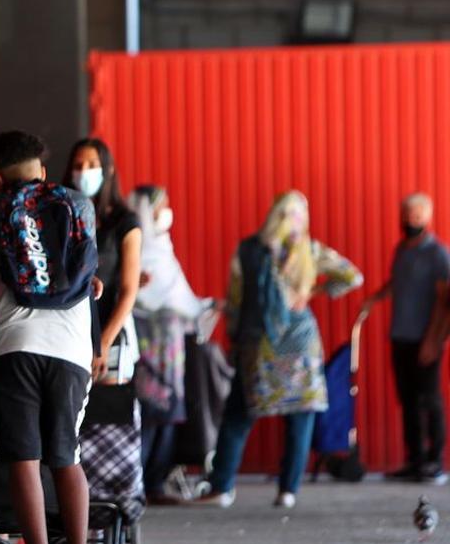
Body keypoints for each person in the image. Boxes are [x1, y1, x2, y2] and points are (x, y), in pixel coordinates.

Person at [0, 131, 101, 544]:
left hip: (13, 343)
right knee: (66, 456)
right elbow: (85, 275)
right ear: (41, 171)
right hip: (71, 347)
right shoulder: (79, 203)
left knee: (23, 458)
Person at [196, 190, 362, 509]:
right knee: (300, 414)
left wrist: (234, 337)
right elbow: (353, 276)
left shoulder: (249, 250)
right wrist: (313, 291)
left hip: (259, 342)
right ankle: (288, 491)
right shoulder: (310, 249)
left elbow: (235, 299)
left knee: (239, 413)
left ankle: (222, 487)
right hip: (300, 339)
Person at [363, 192, 450, 484]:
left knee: (429, 400)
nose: (409, 221)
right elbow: (398, 282)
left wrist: (433, 341)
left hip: (425, 339)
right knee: (409, 401)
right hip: (401, 335)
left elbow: (444, 301)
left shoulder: (438, 254)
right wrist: (375, 298)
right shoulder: (402, 249)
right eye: (406, 215)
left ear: (426, 217)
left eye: (415, 216)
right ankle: (415, 461)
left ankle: (434, 462)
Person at [129, 185, 202, 502]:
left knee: (169, 413)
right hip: (146, 346)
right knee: (146, 414)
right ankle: (136, 481)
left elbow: (178, 295)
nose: (164, 213)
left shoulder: (162, 246)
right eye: (160, 207)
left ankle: (156, 482)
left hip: (171, 351)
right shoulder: (136, 246)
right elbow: (142, 294)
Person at [63, 138, 141, 382]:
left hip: (109, 332)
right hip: (67, 332)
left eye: (92, 164)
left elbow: (129, 290)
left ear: (108, 169)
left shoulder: (125, 221)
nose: (84, 171)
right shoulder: (61, 214)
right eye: (78, 165)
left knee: (107, 413)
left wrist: (103, 344)